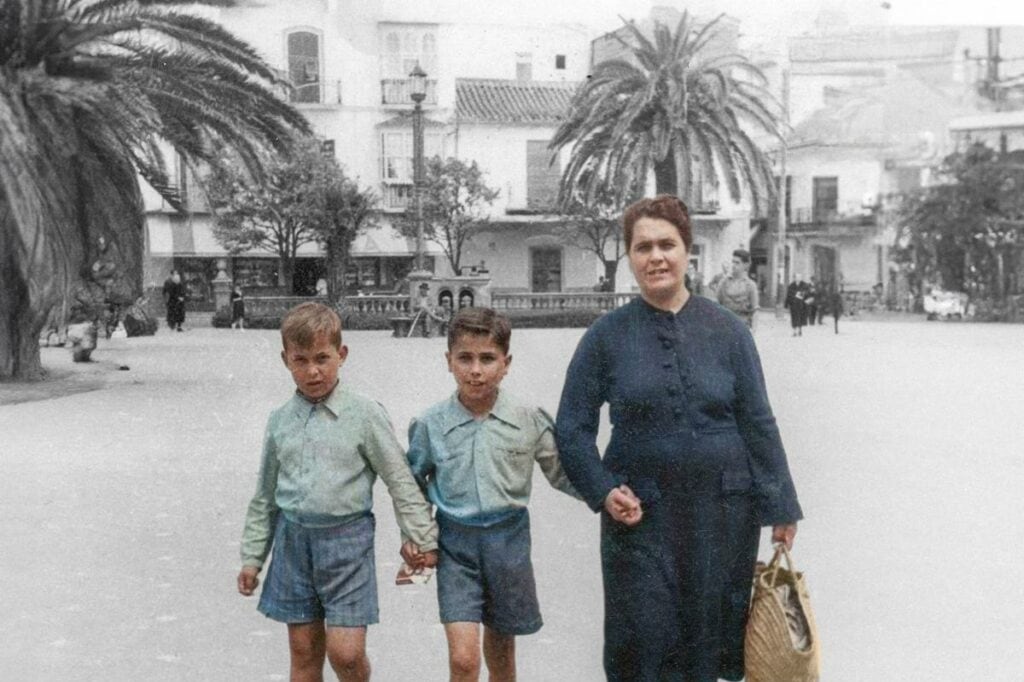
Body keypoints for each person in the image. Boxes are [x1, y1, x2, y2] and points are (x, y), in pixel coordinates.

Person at [555, 195, 803, 682]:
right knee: (643, 643)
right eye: (643, 246)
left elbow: (758, 421)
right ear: (629, 256)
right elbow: (572, 427)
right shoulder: (605, 337)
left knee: (709, 645)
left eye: (667, 244)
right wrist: (603, 489)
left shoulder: (731, 333)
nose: (656, 257)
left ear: (688, 250)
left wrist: (781, 505)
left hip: (724, 518)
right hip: (640, 517)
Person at [236, 302, 439, 682]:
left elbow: (399, 480)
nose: (313, 371)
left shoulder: (364, 414)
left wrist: (422, 538)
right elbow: (264, 496)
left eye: (322, 358)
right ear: (286, 360)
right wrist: (252, 558)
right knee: (303, 653)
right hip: (293, 544)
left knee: (346, 654)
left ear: (341, 355)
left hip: (347, 544)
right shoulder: (280, 420)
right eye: (301, 360)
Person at [406, 307, 579, 682]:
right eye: (464, 358)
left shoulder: (528, 418)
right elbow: (412, 486)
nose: (476, 370)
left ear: (506, 363)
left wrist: (610, 493)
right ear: (448, 361)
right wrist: (417, 537)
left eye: (488, 359)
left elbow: (562, 474)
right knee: (464, 660)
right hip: (456, 544)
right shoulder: (429, 424)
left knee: (502, 654)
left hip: (509, 541)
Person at [716, 248, 759, 328]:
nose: (733, 265)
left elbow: (755, 310)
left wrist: (753, 332)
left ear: (745, 265)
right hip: (724, 326)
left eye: (737, 263)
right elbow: (717, 304)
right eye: (733, 262)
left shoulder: (750, 285)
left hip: (742, 327)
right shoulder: (723, 282)